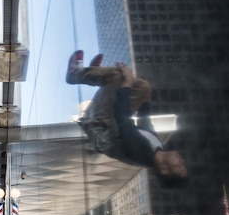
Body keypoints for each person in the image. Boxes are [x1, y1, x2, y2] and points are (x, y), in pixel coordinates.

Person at [66, 50, 187, 184]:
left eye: (180, 167)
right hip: (111, 123)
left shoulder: (141, 154)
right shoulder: (157, 149)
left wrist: (127, 83)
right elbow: (145, 124)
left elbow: (122, 119)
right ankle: (95, 73)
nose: (182, 161)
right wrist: (146, 100)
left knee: (119, 77)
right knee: (144, 88)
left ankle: (75, 75)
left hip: (99, 125)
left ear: (164, 170)